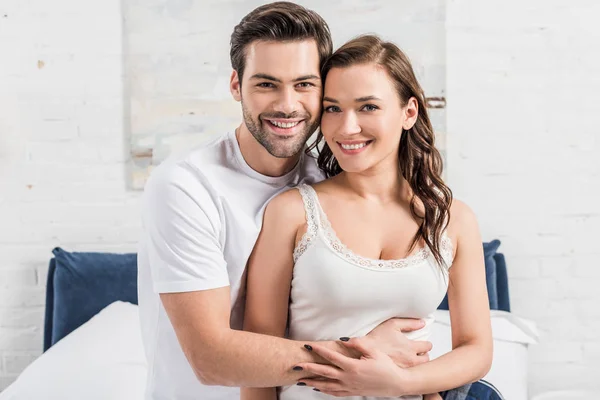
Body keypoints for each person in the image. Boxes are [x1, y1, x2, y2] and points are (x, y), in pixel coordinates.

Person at [137, 3, 437, 400]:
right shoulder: (186, 187)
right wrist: (362, 354)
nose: (287, 104)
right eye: (265, 84)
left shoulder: (331, 185)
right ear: (235, 85)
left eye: (304, 84)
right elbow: (209, 357)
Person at [240, 35, 494, 400]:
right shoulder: (291, 213)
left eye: (368, 107)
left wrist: (402, 383)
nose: (346, 128)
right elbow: (258, 358)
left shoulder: (453, 220)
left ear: (409, 112)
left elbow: (476, 349)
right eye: (332, 108)